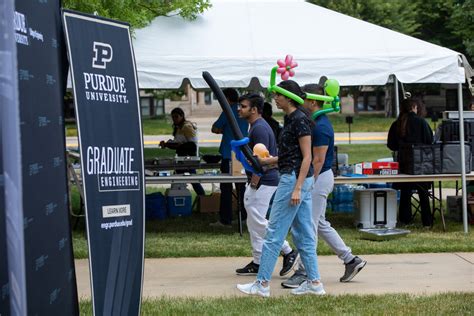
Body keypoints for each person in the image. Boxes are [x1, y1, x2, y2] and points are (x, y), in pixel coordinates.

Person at [237, 80, 325, 297]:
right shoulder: (291, 119)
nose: (274, 98)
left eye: (278, 95)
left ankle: (262, 284)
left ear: (288, 98)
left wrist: (296, 188)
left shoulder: (300, 121)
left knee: (274, 233)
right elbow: (291, 156)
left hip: (293, 182)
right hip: (296, 179)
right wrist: (267, 162)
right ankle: (315, 284)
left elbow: (307, 158)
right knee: (304, 235)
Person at [282, 83, 367, 288]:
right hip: (318, 177)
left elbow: (318, 161)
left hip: (319, 179)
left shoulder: (320, 126)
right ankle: (350, 259)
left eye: (303, 98)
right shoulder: (315, 122)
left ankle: (303, 271)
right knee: (319, 223)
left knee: (307, 225)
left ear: (312, 101)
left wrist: (305, 185)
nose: (300, 101)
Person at [235, 93, 299, 276]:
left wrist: (254, 183)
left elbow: (261, 160)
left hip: (263, 181)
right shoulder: (256, 126)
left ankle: (288, 251)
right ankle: (257, 261)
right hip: (261, 181)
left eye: (244, 106)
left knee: (257, 220)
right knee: (253, 222)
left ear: (254, 110)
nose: (239, 109)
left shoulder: (259, 129)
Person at [387, 98, 434, 227]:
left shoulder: (396, 124)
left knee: (405, 192)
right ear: (414, 107)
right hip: (421, 165)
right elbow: (430, 141)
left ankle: (405, 219)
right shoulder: (422, 122)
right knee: (423, 193)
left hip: (403, 164)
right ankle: (427, 221)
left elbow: (391, 145)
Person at [210, 88, 248, 227]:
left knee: (225, 187)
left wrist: (222, 130)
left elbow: (215, 128)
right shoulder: (242, 110)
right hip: (242, 154)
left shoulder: (228, 110)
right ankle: (244, 216)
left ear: (227, 98)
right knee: (242, 187)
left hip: (228, 154)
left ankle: (225, 219)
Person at [160, 107, 205, 196]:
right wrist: (167, 144)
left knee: (193, 181)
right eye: (173, 117)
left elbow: (193, 144)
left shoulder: (186, 126)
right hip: (181, 158)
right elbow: (178, 143)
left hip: (188, 159)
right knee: (178, 181)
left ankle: (203, 200)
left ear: (182, 116)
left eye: (176, 117)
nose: (174, 119)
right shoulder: (178, 127)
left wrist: (175, 145)